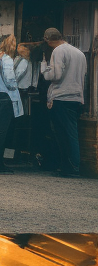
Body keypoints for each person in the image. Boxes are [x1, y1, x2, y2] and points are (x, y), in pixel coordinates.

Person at [40, 27, 87, 178]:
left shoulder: (58, 51)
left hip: (61, 97)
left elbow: (56, 75)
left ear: (47, 39)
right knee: (71, 133)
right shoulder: (79, 53)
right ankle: (72, 165)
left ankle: (70, 167)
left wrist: (44, 70)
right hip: (76, 96)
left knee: (62, 134)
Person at [0, 34, 23, 174]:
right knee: (3, 131)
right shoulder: (8, 59)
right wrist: (15, 85)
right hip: (6, 97)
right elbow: (10, 79)